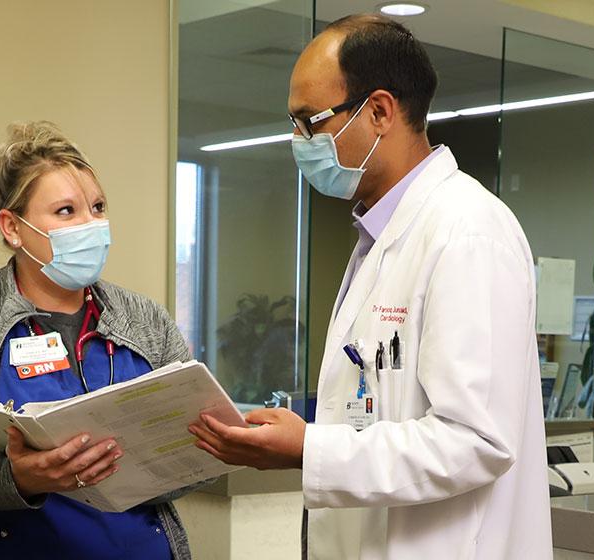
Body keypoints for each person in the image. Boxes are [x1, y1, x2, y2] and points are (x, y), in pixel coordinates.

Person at [188, 14, 552, 560]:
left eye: (310, 121)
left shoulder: (468, 232)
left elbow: (477, 440)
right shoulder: (378, 236)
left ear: (379, 111)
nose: (298, 141)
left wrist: (310, 448)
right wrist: (311, 444)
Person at [0, 121, 198, 560]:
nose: (90, 225)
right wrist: (21, 479)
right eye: (65, 212)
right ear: (13, 227)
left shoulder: (144, 318)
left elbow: (196, 446)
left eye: (97, 207)